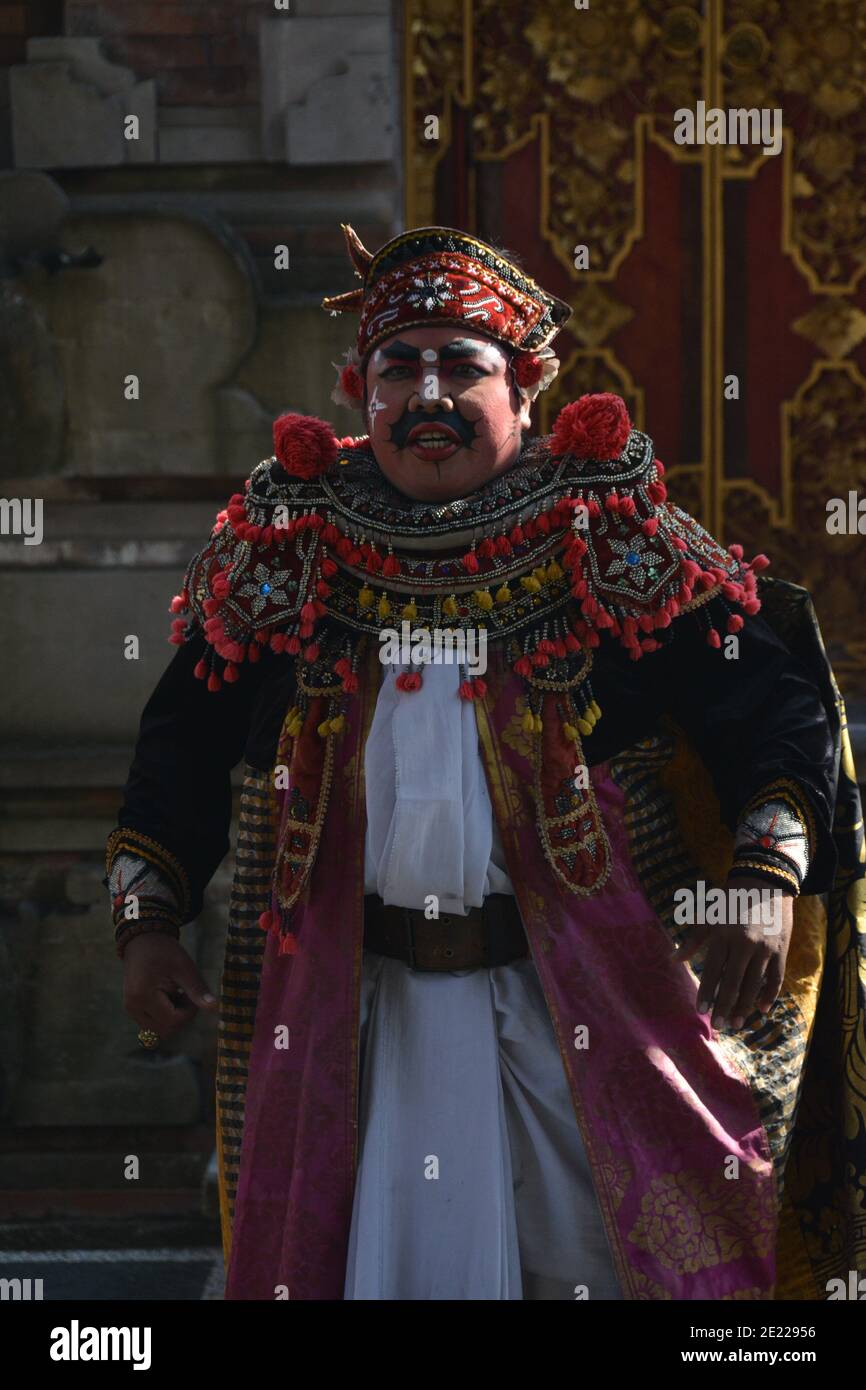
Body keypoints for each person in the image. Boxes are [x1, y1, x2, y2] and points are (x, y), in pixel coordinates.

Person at [108, 223, 866, 1300]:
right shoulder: (291, 549)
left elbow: (772, 711)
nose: (429, 393)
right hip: (352, 1014)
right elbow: (180, 739)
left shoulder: (609, 533)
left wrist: (762, 876)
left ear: (527, 386)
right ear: (354, 390)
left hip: (583, 1013)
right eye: (397, 367)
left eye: (463, 366)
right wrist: (146, 921)